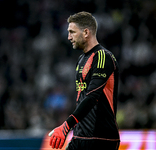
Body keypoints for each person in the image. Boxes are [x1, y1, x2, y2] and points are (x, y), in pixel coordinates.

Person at [49, 11, 120, 150]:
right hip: (80, 136)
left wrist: (66, 125)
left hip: (101, 139)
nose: (69, 37)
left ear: (86, 32)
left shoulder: (102, 57)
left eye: (72, 32)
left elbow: (92, 97)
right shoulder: (81, 59)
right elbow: (81, 99)